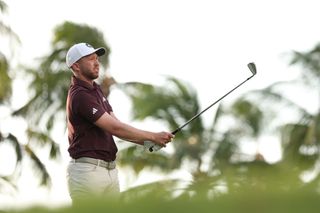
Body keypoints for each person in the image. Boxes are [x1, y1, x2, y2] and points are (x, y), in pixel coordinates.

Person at [65, 43, 174, 202]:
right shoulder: (79, 95)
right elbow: (115, 128)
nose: (97, 63)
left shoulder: (96, 90)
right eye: (90, 59)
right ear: (76, 66)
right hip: (87, 172)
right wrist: (153, 136)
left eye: (97, 59)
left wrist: (145, 142)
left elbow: (115, 123)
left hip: (109, 171)